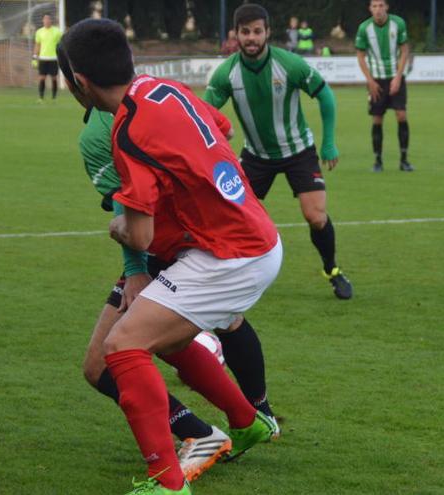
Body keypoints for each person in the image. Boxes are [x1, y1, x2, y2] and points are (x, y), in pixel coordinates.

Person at [62, 18, 282, 495]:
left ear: (78, 82)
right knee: (167, 339)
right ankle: (247, 423)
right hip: (249, 237)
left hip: (227, 254)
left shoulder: (126, 132)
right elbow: (220, 128)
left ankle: (168, 482)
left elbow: (138, 236)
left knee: (119, 349)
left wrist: (119, 226)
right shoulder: (164, 88)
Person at [204, 3, 353, 301]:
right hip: (256, 156)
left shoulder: (289, 64)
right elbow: (204, 115)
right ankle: (229, 277)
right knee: (232, 216)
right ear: (235, 34)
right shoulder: (225, 74)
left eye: (257, 31)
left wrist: (328, 143)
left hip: (299, 151)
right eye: (245, 32)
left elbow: (325, 95)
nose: (251, 38)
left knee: (316, 217)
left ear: (268, 33)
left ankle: (332, 269)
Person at [355, 0, 414, 172]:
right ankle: (378, 161)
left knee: (401, 115)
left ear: (387, 7)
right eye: (374, 6)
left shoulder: (398, 23)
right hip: (376, 81)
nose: (378, 10)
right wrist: (370, 81)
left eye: (381, 6)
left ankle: (404, 160)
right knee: (377, 118)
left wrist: (398, 77)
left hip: (396, 77)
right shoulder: (364, 28)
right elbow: (360, 56)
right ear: (370, 9)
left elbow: (404, 51)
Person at [33, 14, 61, 101]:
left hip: (53, 58)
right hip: (43, 58)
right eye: (45, 19)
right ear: (43, 20)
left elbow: (60, 45)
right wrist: (34, 57)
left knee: (54, 78)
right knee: (42, 78)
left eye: (48, 19)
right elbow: (37, 45)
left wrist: (61, 56)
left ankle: (54, 97)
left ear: (51, 20)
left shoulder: (57, 32)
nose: (47, 21)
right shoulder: (39, 32)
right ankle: (41, 97)